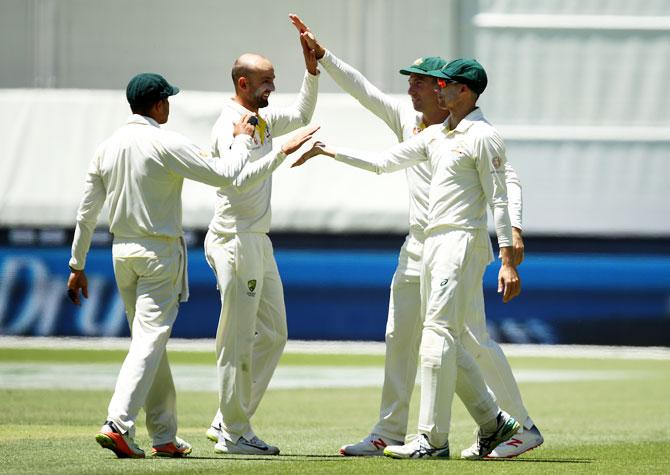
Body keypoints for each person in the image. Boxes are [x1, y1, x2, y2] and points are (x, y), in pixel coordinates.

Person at [289, 15, 543, 458]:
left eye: (421, 82)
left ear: (445, 88)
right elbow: (364, 93)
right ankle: (392, 429)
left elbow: (508, 186)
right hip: (418, 246)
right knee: (402, 335)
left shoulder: (478, 135)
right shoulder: (417, 128)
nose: (412, 89)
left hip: (457, 243)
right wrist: (324, 58)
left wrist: (512, 237)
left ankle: (516, 425)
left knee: (467, 341)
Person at [66, 72, 317, 459]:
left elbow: (86, 213)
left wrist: (76, 263)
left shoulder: (107, 147)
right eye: (167, 100)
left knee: (149, 342)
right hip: (158, 254)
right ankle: (118, 422)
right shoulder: (166, 142)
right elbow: (224, 174)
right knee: (150, 340)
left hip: (121, 254)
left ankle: (164, 434)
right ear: (158, 105)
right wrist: (241, 139)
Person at [203, 41, 320, 456]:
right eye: (266, 81)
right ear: (243, 82)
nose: (273, 86)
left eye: (273, 79)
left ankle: (227, 417)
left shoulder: (260, 119)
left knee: (273, 334)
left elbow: (304, 114)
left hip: (257, 240)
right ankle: (235, 434)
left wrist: (312, 71)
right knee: (236, 339)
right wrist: (283, 154)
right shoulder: (231, 125)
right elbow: (236, 180)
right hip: (235, 239)